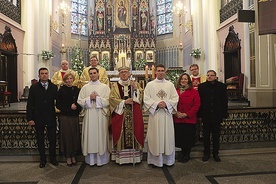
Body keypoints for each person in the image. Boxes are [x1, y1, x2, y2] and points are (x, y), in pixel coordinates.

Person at [143, 64, 179, 167]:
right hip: (155, 115)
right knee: (155, 136)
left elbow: (175, 98)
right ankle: (155, 161)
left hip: (166, 116)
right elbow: (146, 98)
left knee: (167, 136)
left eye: (162, 70)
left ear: (165, 72)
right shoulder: (150, 85)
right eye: (158, 70)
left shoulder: (170, 85)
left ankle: (168, 160)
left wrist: (166, 104)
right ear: (155, 72)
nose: (160, 72)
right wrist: (157, 104)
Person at [109, 66, 144, 165]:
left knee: (135, 131)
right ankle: (122, 158)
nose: (124, 74)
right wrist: (124, 102)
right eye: (122, 72)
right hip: (121, 114)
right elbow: (111, 99)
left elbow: (141, 97)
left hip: (134, 113)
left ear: (129, 73)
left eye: (126, 72)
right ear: (119, 74)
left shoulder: (135, 84)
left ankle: (135, 158)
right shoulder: (115, 86)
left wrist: (136, 89)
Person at [77, 67, 110, 166]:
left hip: (100, 115)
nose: (92, 75)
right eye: (90, 73)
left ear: (98, 74)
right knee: (90, 136)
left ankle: (101, 160)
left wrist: (98, 99)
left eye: (94, 73)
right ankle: (90, 160)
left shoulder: (105, 87)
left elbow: (109, 101)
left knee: (101, 136)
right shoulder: (85, 87)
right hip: (89, 115)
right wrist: (89, 99)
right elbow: (79, 101)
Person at [26, 67, 58, 168]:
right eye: (42, 73)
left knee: (52, 139)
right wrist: (30, 118)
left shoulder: (53, 87)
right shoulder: (34, 87)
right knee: (40, 140)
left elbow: (58, 101)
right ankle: (43, 159)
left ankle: (53, 158)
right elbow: (30, 104)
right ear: (39, 75)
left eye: (46, 73)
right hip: (38, 117)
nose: (44, 75)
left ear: (48, 75)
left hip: (50, 117)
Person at [198, 70, 228, 162]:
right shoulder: (201, 87)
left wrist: (224, 114)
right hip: (206, 115)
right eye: (208, 75)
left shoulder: (222, 86)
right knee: (206, 136)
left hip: (217, 115)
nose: (210, 76)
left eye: (212, 75)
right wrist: (199, 115)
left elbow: (224, 101)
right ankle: (206, 153)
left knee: (216, 136)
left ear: (215, 76)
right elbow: (200, 102)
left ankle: (216, 153)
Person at [173, 73, 201, 163]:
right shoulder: (175, 91)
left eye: (186, 79)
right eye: (182, 79)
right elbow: (171, 103)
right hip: (178, 118)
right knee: (180, 137)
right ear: (179, 80)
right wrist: (175, 112)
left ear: (189, 81)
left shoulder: (194, 91)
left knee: (188, 137)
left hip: (189, 119)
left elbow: (197, 105)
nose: (183, 81)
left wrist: (187, 114)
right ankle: (182, 152)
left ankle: (187, 154)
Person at [56, 73, 82, 167]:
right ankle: (68, 156)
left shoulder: (77, 89)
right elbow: (58, 104)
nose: (69, 80)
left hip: (74, 116)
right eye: (67, 79)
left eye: (71, 78)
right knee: (66, 136)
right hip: (65, 116)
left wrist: (77, 107)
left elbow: (80, 101)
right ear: (64, 80)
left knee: (74, 135)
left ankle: (74, 155)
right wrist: (69, 107)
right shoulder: (61, 90)